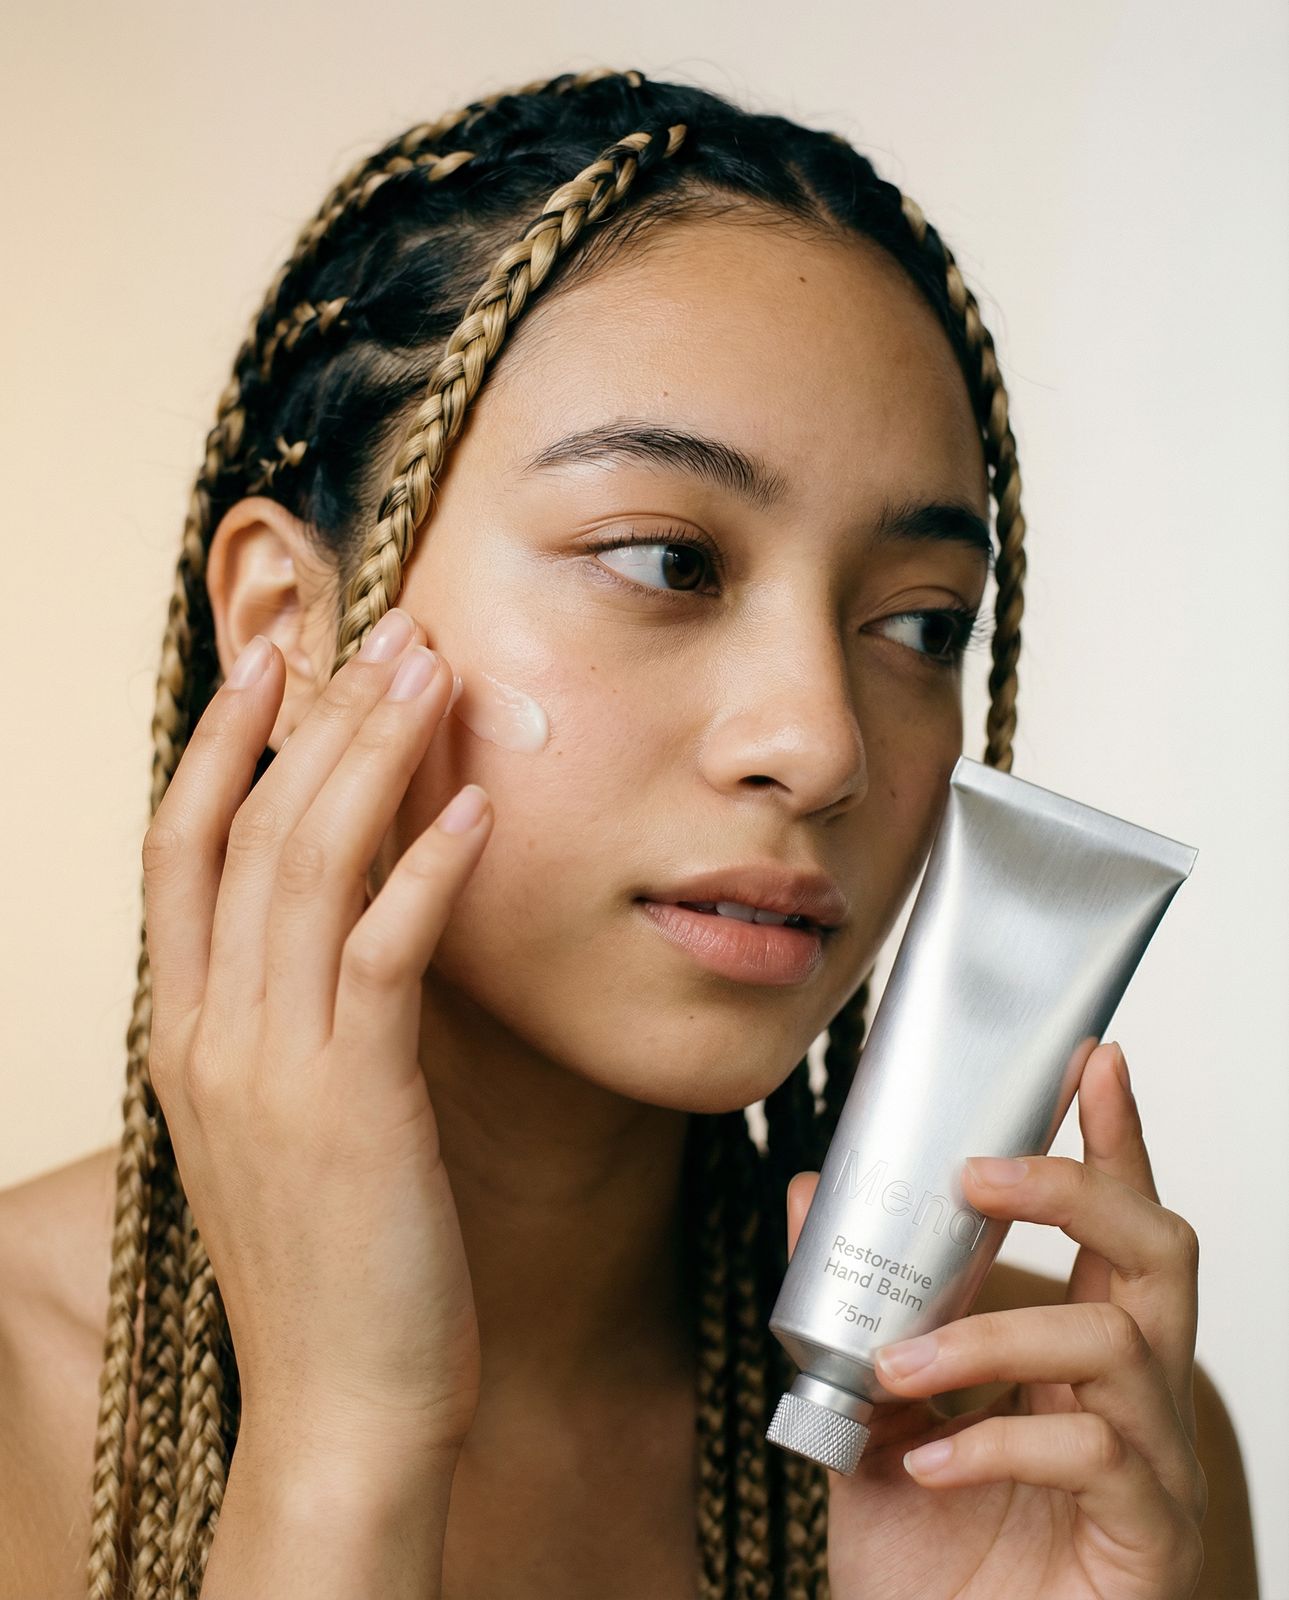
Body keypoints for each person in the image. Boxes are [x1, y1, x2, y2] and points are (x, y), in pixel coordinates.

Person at [0, 66, 1258, 1600]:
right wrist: (342, 1446)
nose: (819, 744)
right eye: (666, 558)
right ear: (291, 626)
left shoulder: (1049, 1449)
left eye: (920, 624)